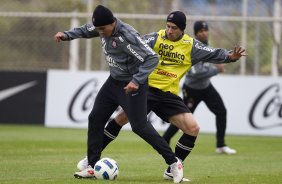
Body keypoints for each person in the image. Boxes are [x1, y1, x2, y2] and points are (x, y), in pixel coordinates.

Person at [76, 11, 246, 181]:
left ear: (183, 30)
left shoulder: (191, 46)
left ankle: (173, 169)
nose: (169, 30)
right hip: (146, 88)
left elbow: (213, 53)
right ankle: (91, 159)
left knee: (193, 129)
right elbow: (133, 45)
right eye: (168, 26)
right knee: (121, 119)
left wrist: (231, 56)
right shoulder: (154, 38)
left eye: (174, 28)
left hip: (168, 94)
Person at [54, 5, 184, 183]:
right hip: (113, 82)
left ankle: (173, 162)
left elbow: (152, 58)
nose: (100, 32)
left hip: (133, 85)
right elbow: (86, 29)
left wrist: (136, 80)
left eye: (102, 29)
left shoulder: (127, 36)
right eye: (98, 29)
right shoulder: (102, 28)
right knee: (96, 118)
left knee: (139, 126)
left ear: (113, 23)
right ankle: (92, 166)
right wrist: (67, 35)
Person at [163, 21, 237, 155]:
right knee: (181, 119)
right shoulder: (193, 47)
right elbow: (195, 73)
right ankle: (166, 139)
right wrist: (216, 70)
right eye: (201, 31)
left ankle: (221, 145)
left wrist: (224, 60)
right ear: (196, 33)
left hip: (206, 88)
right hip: (191, 90)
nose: (204, 33)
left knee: (221, 112)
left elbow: (214, 62)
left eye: (205, 30)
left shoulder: (208, 46)